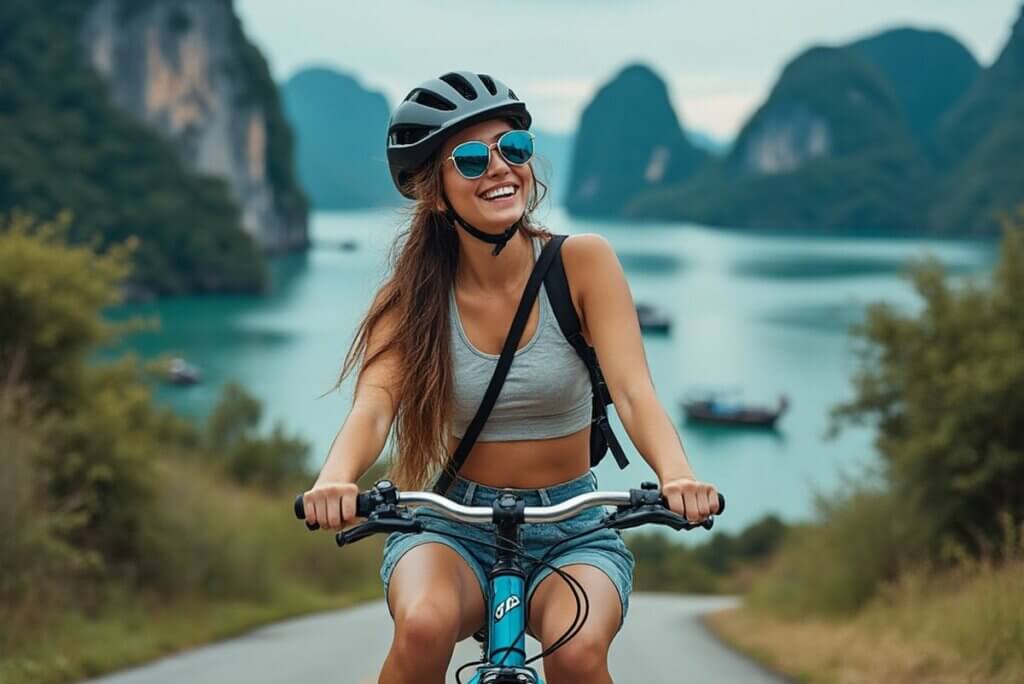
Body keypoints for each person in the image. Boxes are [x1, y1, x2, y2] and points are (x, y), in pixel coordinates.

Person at [301, 71, 720, 683]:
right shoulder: (411, 300)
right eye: (470, 160)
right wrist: (335, 480)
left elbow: (634, 392)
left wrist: (677, 475)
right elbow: (372, 408)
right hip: (452, 521)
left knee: (577, 653)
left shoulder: (583, 263)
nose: (499, 168)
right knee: (421, 627)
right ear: (436, 192)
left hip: (572, 523)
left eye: (513, 149)